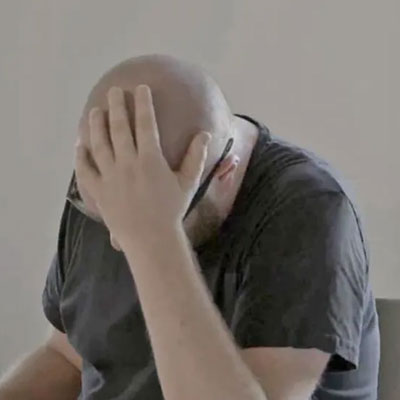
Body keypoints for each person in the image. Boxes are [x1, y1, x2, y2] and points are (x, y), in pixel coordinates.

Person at [0, 54, 380, 400]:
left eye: (142, 213)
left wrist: (153, 237)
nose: (117, 239)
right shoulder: (111, 182)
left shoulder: (310, 211)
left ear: (225, 171)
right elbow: (67, 358)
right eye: (105, 215)